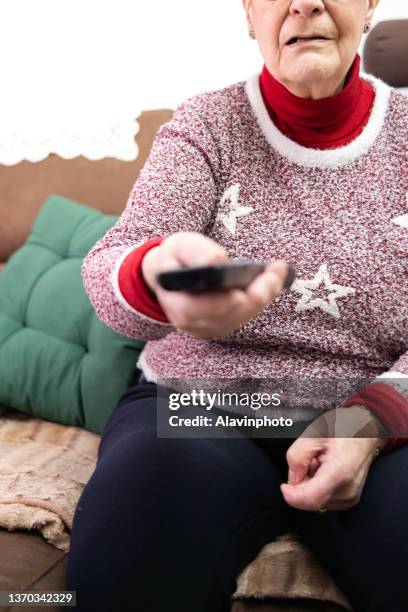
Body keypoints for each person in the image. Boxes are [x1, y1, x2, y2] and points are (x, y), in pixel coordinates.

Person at [66, 0, 408, 610]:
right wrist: (155, 273)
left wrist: (366, 424)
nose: (303, 3)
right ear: (250, 13)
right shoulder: (207, 124)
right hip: (201, 407)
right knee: (125, 555)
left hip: (367, 421)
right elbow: (113, 265)